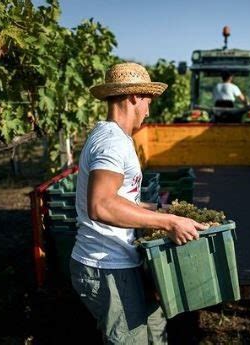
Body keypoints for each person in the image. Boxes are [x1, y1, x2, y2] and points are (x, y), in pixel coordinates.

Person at [69, 62, 207, 344]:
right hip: (106, 266)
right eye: (148, 101)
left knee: (154, 325)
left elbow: (120, 198)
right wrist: (168, 222)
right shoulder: (112, 143)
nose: (149, 109)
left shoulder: (116, 138)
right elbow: (102, 205)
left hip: (120, 262)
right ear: (134, 97)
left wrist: (162, 211)